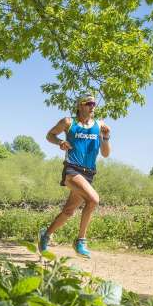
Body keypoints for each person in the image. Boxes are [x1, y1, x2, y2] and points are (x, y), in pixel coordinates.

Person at [39, 93, 111, 258]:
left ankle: (46, 235)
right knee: (94, 200)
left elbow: (105, 154)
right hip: (72, 170)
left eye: (93, 103)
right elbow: (50, 135)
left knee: (69, 211)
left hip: (89, 173)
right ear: (79, 105)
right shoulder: (68, 122)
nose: (92, 106)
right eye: (88, 103)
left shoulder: (100, 125)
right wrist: (60, 142)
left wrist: (106, 138)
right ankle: (80, 240)